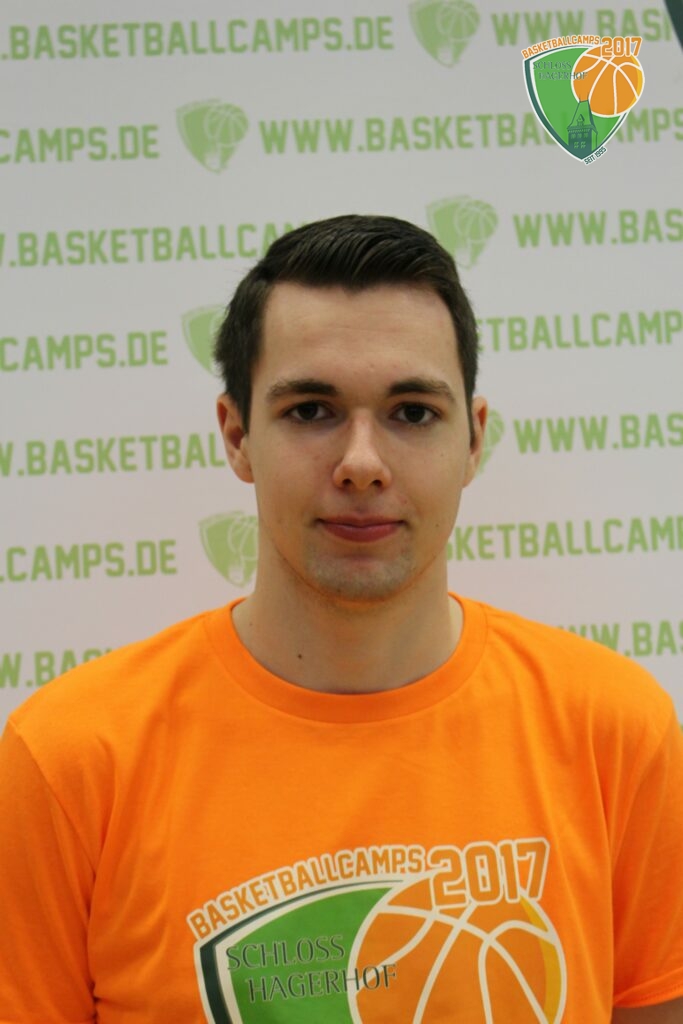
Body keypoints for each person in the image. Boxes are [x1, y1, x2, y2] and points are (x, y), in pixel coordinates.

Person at [1, 215, 682, 1024]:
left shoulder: (614, 732)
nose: (361, 463)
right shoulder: (71, 761)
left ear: (473, 440)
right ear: (236, 435)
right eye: (311, 411)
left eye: (412, 413)